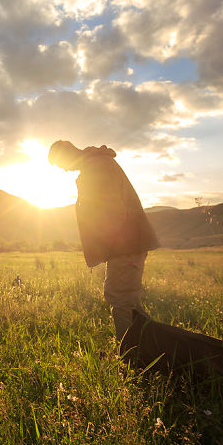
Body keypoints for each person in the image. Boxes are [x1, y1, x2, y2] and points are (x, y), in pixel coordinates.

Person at [48, 140, 159, 342]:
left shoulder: (96, 169)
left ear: (65, 154)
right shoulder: (96, 165)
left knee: (121, 300)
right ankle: (154, 347)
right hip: (126, 245)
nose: (64, 170)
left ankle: (130, 357)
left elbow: (113, 211)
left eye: (60, 164)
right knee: (128, 301)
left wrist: (108, 244)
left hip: (126, 246)